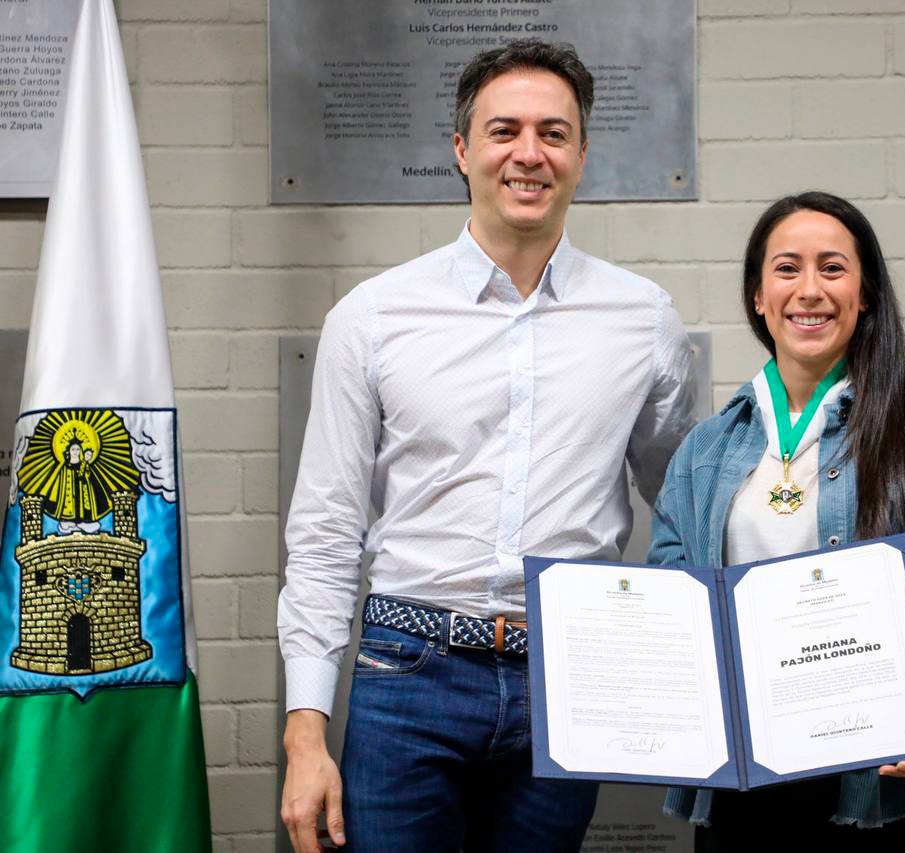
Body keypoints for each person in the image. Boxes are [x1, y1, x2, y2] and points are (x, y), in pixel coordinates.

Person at [277, 40, 696, 853]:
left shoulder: (644, 319)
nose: (528, 153)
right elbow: (325, 534)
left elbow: (685, 507)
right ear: (463, 150)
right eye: (504, 130)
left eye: (553, 133)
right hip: (407, 671)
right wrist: (304, 735)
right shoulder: (373, 318)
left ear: (582, 154)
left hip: (565, 674)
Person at [649, 191, 905, 850]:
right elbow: (673, 604)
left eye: (833, 268)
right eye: (787, 268)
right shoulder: (704, 452)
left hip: (888, 783)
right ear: (758, 295)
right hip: (747, 789)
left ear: (865, 294)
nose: (810, 290)